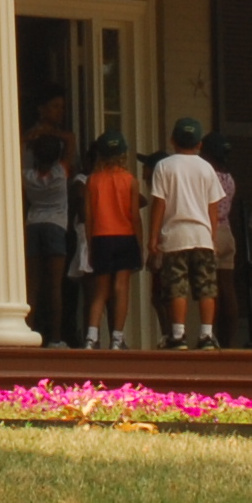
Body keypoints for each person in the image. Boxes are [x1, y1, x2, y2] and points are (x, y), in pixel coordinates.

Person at [148, 116, 227, 347]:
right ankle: (206, 334)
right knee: (206, 287)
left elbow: (159, 204)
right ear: (200, 144)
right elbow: (213, 207)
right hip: (201, 234)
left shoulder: (164, 166)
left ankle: (178, 334)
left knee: (176, 285)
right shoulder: (207, 168)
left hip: (175, 235)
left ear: (173, 140)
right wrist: (212, 236)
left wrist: (153, 237)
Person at [78, 131, 143, 350]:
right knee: (121, 287)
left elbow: (88, 216)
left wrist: (90, 243)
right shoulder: (130, 181)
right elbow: (134, 215)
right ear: (123, 154)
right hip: (125, 236)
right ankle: (117, 337)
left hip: (100, 237)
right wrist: (139, 243)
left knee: (100, 289)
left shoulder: (92, 181)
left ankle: (91, 336)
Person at [24, 132, 76, 346]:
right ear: (57, 156)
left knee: (32, 285)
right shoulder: (61, 172)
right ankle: (55, 338)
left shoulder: (26, 176)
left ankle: (27, 331)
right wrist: (51, 130)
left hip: (33, 225)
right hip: (55, 227)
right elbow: (71, 141)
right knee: (55, 285)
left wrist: (32, 136)